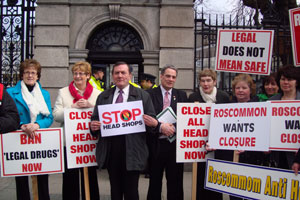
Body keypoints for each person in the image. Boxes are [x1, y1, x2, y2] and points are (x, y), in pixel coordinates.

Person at [90, 61, 156, 200]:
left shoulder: (142, 95)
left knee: (131, 191)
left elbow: (152, 120)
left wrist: (151, 121)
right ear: (113, 76)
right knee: (115, 190)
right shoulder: (103, 96)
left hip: (133, 150)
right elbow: (94, 119)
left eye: (123, 72)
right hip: (111, 150)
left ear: (130, 75)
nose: (120, 76)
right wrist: (93, 127)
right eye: (117, 73)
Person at [52, 61, 101, 200]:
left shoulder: (97, 94)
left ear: (88, 76)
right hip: (70, 145)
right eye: (75, 73)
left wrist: (90, 105)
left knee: (90, 178)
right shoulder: (63, 92)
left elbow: (102, 114)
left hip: (89, 144)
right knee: (70, 179)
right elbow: (56, 115)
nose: (78, 76)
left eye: (81, 73)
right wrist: (71, 108)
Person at [7, 59, 53, 200]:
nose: (30, 75)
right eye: (27, 72)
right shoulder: (10, 92)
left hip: (39, 140)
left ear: (38, 76)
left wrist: (37, 125)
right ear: (22, 75)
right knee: (21, 179)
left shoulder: (44, 94)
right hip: (19, 138)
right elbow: (8, 114)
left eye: (33, 73)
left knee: (42, 177)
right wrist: (22, 125)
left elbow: (49, 117)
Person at [143, 64, 188, 200]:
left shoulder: (181, 95)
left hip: (174, 146)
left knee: (175, 182)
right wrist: (161, 127)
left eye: (173, 77)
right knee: (155, 181)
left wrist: (171, 128)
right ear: (161, 76)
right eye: (167, 76)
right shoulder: (149, 94)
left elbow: (186, 119)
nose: (170, 79)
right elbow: (146, 118)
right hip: (155, 144)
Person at [189, 69, 230, 200]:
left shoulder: (224, 97)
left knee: (216, 179)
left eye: (208, 80)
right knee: (200, 178)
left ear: (214, 81)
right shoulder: (193, 97)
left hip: (219, 146)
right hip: (199, 144)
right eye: (203, 80)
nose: (205, 84)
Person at [270, 65, 300, 170]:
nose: (285, 82)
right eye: (283, 79)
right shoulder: (271, 101)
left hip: (296, 157)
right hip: (277, 155)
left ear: (297, 82)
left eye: (290, 79)